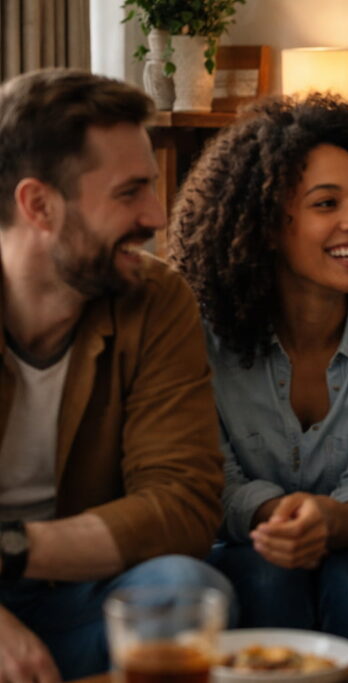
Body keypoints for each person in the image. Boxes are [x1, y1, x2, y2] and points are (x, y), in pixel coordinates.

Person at [169, 93, 348, 656]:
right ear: (266, 222)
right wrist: (277, 517)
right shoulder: (198, 334)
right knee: (264, 572)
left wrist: (332, 521)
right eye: (327, 204)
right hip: (250, 542)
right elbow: (209, 480)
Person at [0, 69, 231, 681]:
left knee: (186, 590)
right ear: (39, 205)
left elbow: (182, 504)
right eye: (130, 192)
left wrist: (14, 552)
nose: (158, 215)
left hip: (87, 592)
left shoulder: (156, 299)